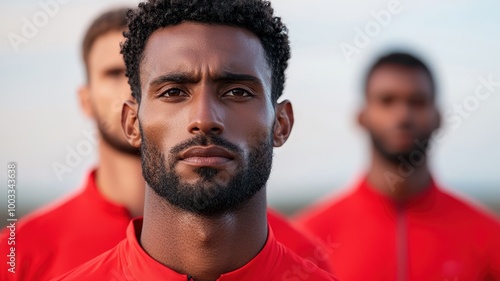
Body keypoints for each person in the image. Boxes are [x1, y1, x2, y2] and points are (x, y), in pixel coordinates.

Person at [0, 6, 331, 281]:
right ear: (132, 123)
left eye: (237, 92)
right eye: (173, 91)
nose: (204, 118)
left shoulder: (311, 258)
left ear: (282, 123)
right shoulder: (22, 252)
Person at [295, 52, 500, 280]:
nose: (403, 115)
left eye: (417, 102)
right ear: (362, 116)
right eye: (387, 101)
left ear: (438, 117)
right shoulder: (307, 240)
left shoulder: (490, 237)